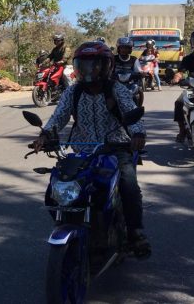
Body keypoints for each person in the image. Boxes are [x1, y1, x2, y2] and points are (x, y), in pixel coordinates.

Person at [32, 41, 150, 258]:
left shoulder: (117, 89)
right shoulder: (73, 92)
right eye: (84, 66)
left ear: (106, 66)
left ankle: (135, 231)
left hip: (115, 147)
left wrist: (138, 134)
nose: (88, 70)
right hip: (82, 150)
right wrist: (45, 134)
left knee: (128, 183)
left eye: (94, 65)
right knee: (60, 182)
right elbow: (59, 116)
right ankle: (69, 221)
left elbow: (132, 113)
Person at [171, 29, 194, 142]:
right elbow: (181, 71)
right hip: (193, 88)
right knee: (178, 103)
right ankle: (182, 130)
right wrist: (176, 78)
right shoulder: (188, 59)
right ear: (192, 42)